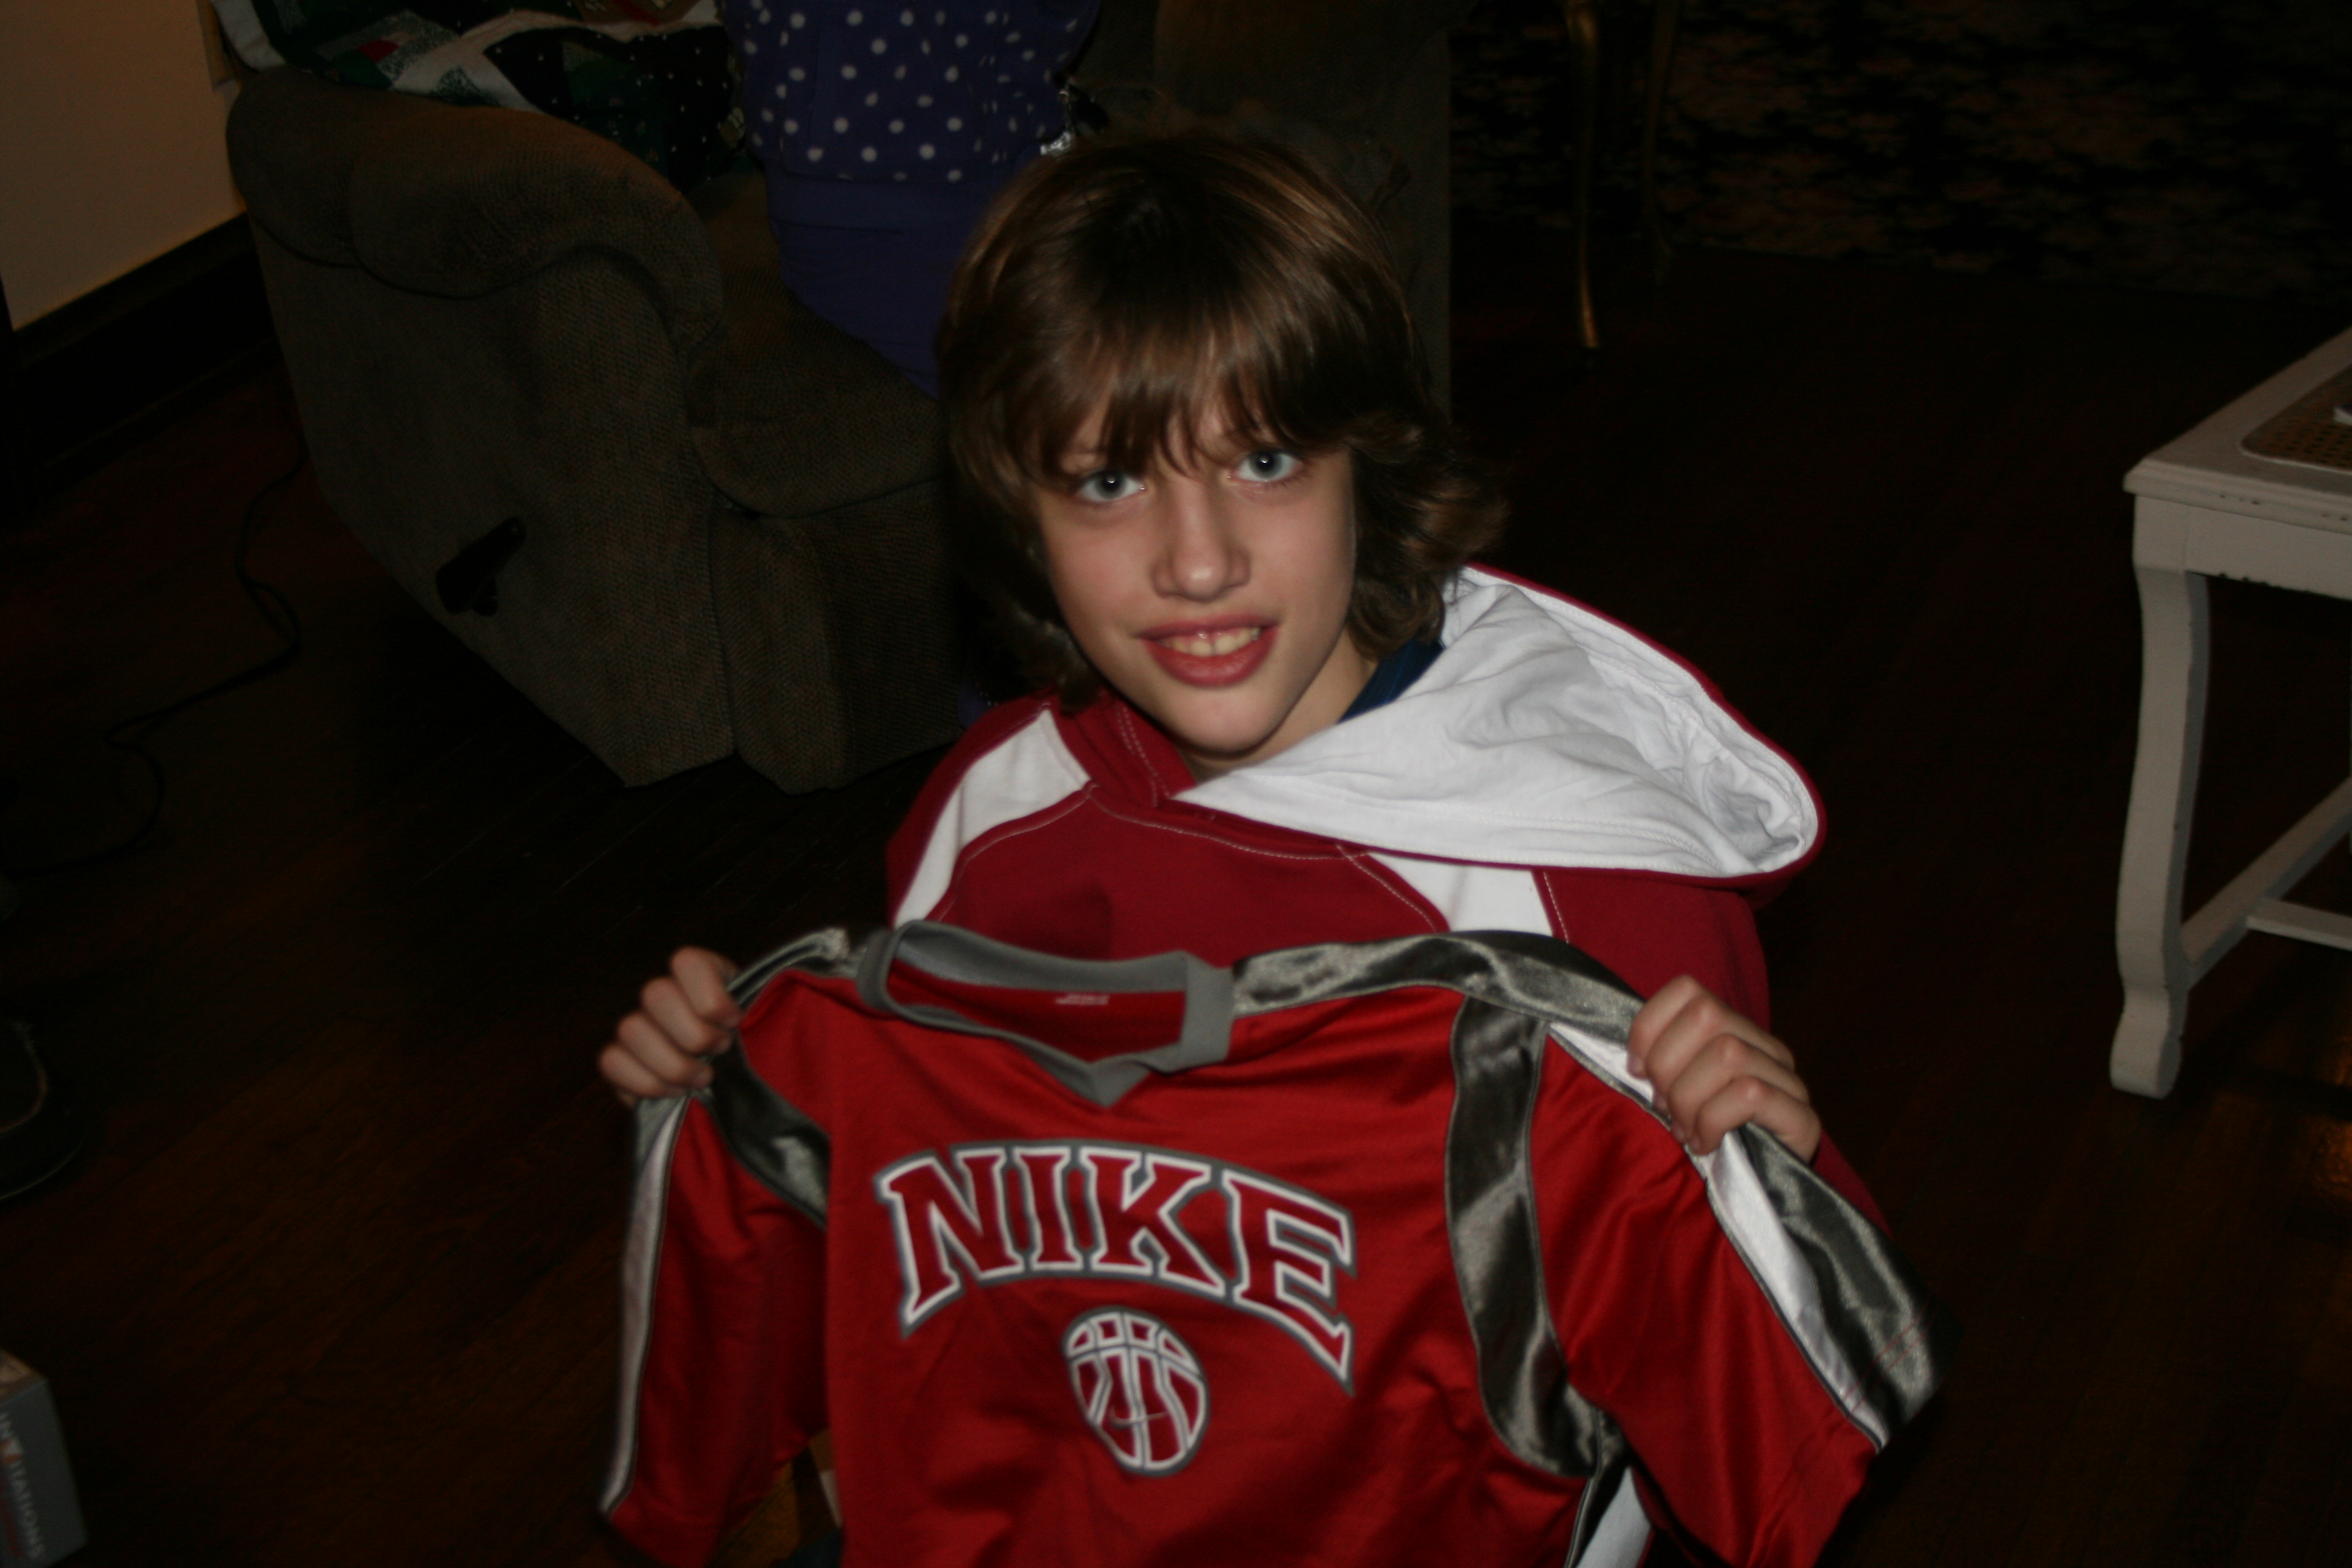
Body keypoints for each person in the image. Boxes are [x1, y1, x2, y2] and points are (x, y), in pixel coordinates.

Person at [601, 133, 1900, 1563]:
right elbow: (937, 1196)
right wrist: (740, 1093)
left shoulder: (1577, 900)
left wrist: (1771, 1166)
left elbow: (1778, 1392)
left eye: (1265, 460)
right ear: (1019, 515)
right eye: (1107, 483)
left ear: (1369, 467)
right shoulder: (995, 802)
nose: (1198, 561)